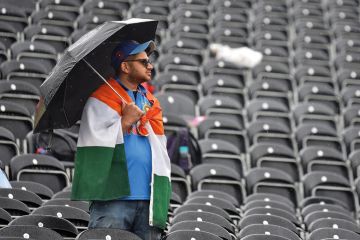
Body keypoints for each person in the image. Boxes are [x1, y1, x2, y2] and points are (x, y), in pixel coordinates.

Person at [71, 40, 171, 240]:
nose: (150, 65)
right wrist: (124, 122)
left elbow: (159, 146)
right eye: (143, 62)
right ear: (125, 66)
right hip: (113, 198)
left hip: (148, 197)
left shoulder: (151, 101)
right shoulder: (100, 98)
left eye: (149, 61)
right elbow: (92, 145)